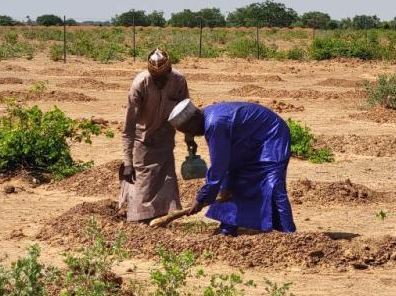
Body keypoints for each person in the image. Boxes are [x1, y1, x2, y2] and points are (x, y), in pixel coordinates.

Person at [167, 100, 296, 236]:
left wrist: (201, 198)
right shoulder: (208, 118)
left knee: (273, 184)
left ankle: (288, 234)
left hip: (272, 136)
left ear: (194, 118)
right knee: (231, 182)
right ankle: (227, 230)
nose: (191, 134)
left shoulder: (215, 124)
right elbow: (223, 166)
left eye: (188, 130)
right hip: (248, 140)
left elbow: (218, 168)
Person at [119, 48, 191, 223]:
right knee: (142, 183)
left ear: (169, 70)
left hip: (165, 139)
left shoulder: (179, 81)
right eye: (155, 77)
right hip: (142, 140)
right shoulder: (140, 84)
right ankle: (138, 221)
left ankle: (163, 219)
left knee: (166, 181)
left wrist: (189, 140)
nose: (159, 81)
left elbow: (186, 114)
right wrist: (128, 163)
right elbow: (128, 127)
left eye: (163, 77)